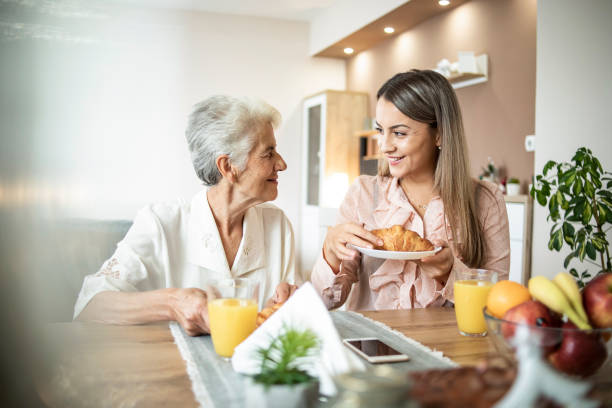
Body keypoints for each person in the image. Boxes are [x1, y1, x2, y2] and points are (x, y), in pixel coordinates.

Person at [74, 95, 299, 336]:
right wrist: (173, 303)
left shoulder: (278, 225)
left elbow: (287, 309)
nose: (282, 164)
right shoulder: (160, 223)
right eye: (269, 153)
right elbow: (90, 305)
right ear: (227, 167)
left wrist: (287, 304)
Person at [311, 70, 510, 311]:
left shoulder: (485, 199)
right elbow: (323, 303)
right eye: (380, 131)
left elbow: (497, 304)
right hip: (371, 346)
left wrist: (450, 273)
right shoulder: (362, 193)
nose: (384, 146)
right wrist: (330, 251)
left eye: (399, 133)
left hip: (447, 347)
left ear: (439, 134)